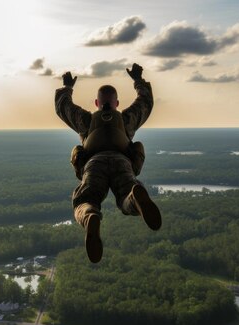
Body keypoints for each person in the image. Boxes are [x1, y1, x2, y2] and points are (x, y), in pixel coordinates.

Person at [55, 63, 161, 263]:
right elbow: (145, 102)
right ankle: (134, 198)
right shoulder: (127, 119)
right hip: (123, 162)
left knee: (84, 199)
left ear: (96, 102)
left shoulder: (86, 120)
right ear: (117, 103)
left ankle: (89, 216)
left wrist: (67, 87)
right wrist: (138, 80)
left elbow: (63, 107)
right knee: (125, 196)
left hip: (94, 164)